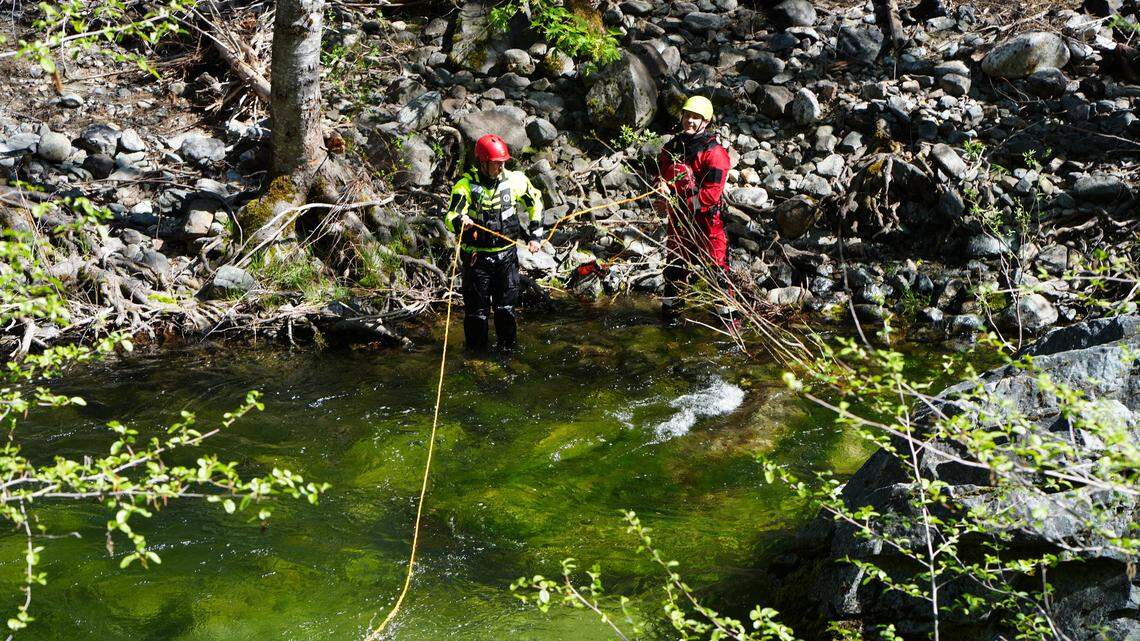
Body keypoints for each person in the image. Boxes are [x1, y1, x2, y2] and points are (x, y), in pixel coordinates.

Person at [445, 134, 544, 351]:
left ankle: (507, 353)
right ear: (483, 162)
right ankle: (476, 357)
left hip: (506, 258)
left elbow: (535, 202)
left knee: (505, 309)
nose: (500, 167)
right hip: (477, 260)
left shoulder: (516, 181)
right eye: (496, 163)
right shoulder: (464, 186)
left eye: (502, 163)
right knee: (477, 314)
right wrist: (461, 221)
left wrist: (536, 235)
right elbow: (451, 216)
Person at [653, 95, 734, 325]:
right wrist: (660, 186)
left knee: (717, 273)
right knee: (674, 270)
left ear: (705, 122)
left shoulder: (715, 153)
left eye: (696, 117)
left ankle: (727, 323)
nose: (689, 120)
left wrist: (680, 204)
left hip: (707, 223)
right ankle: (670, 321)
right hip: (679, 221)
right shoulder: (672, 147)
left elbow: (711, 195)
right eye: (687, 116)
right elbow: (660, 173)